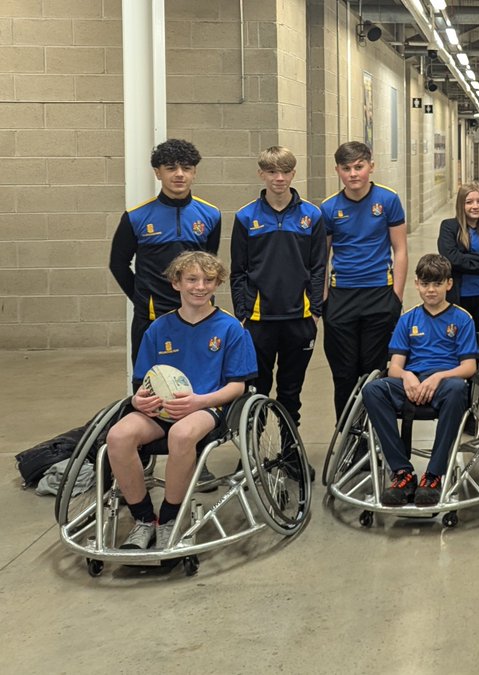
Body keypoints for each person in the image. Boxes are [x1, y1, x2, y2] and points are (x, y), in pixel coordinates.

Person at [106, 251, 257, 550]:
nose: (200, 286)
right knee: (118, 435)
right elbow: (142, 384)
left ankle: (170, 518)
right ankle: (144, 520)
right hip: (160, 410)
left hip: (206, 405)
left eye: (208, 280)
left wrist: (198, 401)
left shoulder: (230, 329)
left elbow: (238, 387)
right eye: (191, 279)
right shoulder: (158, 328)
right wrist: (140, 401)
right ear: (176, 283)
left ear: (217, 284)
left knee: (181, 434)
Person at [360, 254, 479, 507]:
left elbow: (469, 367)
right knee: (372, 390)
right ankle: (403, 473)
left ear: (449, 284)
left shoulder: (462, 319)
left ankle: (434, 475)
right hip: (411, 384)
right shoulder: (408, 319)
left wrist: (438, 377)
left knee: (459, 388)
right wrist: (407, 377)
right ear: (416, 284)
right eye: (425, 284)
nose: (431, 290)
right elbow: (394, 367)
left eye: (437, 284)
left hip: (446, 385)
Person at [231, 146, 327, 435]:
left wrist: (316, 312)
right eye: (272, 172)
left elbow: (319, 267)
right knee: (255, 391)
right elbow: (238, 271)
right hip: (259, 322)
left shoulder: (312, 215)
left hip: (300, 320)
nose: (279, 178)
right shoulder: (246, 216)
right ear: (261, 174)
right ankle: (251, 457)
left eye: (285, 172)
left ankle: (289, 452)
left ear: (293, 174)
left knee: (290, 392)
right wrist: (242, 314)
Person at [109, 138, 221, 368]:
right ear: (158, 173)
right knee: (148, 386)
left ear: (194, 172)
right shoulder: (136, 217)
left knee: (199, 378)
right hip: (151, 317)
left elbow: (208, 265)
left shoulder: (211, 215)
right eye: (171, 168)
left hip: (197, 314)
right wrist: (142, 298)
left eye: (186, 168)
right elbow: (118, 264)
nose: (179, 174)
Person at [320, 141, 408, 418]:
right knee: (344, 374)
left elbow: (400, 249)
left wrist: (396, 296)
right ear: (338, 171)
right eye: (346, 169)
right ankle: (347, 441)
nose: (353, 174)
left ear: (371, 166)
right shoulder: (329, 208)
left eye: (359, 166)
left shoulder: (388, 200)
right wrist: (324, 301)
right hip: (341, 297)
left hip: (379, 295)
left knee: (375, 373)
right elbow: (322, 258)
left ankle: (376, 436)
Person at [437, 182, 479, 360]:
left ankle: (477, 382)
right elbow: (452, 259)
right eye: (469, 202)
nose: (475, 206)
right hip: (459, 298)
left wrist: (468, 258)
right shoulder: (449, 227)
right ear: (461, 204)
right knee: (457, 346)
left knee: (477, 347)